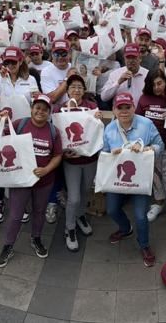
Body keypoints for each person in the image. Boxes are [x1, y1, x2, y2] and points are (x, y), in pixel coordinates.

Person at [0, 93, 63, 266]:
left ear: (49, 112)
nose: (40, 111)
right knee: (16, 215)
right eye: (37, 107)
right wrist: (3, 120)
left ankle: (36, 238)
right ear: (32, 108)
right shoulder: (20, 124)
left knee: (39, 212)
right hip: (21, 180)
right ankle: (8, 245)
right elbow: (2, 140)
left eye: (45, 109)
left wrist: (46, 169)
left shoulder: (53, 131)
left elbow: (57, 155)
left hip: (44, 181)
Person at [101, 92, 165, 267]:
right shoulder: (110, 129)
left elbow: (161, 145)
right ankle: (125, 228)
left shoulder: (146, 124)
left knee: (140, 216)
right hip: (118, 178)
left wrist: (147, 148)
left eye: (127, 107)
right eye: (119, 108)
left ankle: (144, 245)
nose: (123, 111)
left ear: (134, 107)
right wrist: (110, 153)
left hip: (140, 178)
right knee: (112, 209)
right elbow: (103, 154)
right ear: (114, 110)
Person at [57, 74, 100, 252]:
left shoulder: (91, 107)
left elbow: (97, 131)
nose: (76, 90)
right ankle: (70, 227)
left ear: (84, 90)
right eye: (73, 87)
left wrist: (97, 119)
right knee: (73, 197)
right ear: (67, 91)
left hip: (90, 159)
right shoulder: (61, 110)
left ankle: (80, 216)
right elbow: (58, 135)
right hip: (72, 161)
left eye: (80, 87)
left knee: (84, 191)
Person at [137, 69, 166, 234]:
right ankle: (159, 202)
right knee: (155, 177)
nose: (157, 87)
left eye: (160, 83)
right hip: (150, 149)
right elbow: (138, 123)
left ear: (165, 82)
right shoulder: (143, 99)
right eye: (153, 84)